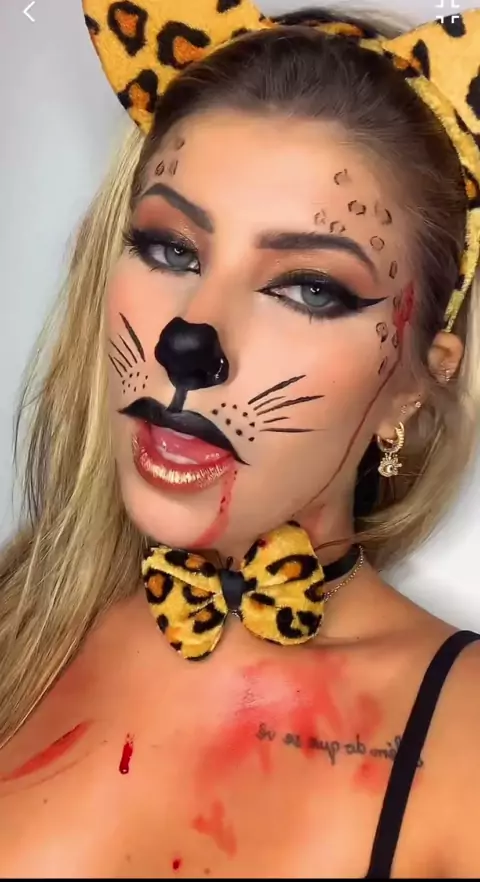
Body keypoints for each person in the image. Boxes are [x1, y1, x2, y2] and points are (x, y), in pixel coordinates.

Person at [0, 0, 480, 875]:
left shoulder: (463, 741)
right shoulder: (14, 631)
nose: (191, 341)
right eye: (170, 250)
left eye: (310, 289)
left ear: (416, 382)